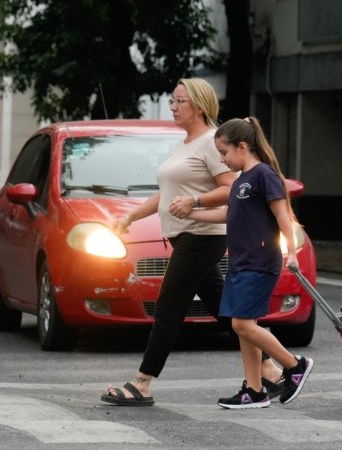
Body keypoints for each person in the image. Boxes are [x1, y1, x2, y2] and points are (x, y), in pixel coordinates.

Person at [101, 79, 283, 406]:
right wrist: (131, 217)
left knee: (168, 309)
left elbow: (233, 187)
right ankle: (270, 369)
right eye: (172, 100)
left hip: (201, 237)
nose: (173, 106)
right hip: (188, 236)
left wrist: (196, 202)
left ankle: (143, 383)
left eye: (179, 101)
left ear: (199, 106)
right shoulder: (186, 143)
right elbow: (167, 193)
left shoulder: (213, 143)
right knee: (228, 311)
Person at [187, 117, 313, 409]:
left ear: (242, 147)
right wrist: (191, 215)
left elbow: (283, 216)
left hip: (259, 262)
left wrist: (291, 252)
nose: (222, 159)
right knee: (245, 325)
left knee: (241, 324)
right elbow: (227, 215)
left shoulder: (263, 175)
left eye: (224, 153)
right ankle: (254, 390)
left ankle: (295, 365)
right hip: (240, 263)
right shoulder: (241, 179)